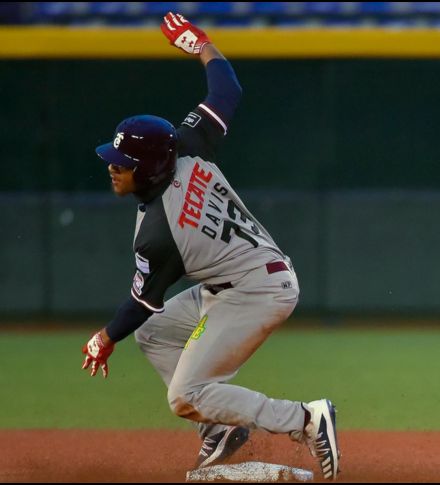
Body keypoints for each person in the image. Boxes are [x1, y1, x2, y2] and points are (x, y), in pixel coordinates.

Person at [80, 12, 340, 480]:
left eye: (124, 162)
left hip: (254, 291)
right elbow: (227, 91)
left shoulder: (160, 232)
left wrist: (103, 338)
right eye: (115, 159)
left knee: (185, 395)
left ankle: (305, 419)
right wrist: (200, 44)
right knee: (155, 335)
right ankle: (220, 431)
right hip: (238, 278)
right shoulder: (186, 145)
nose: (114, 167)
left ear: (152, 167)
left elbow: (141, 302)